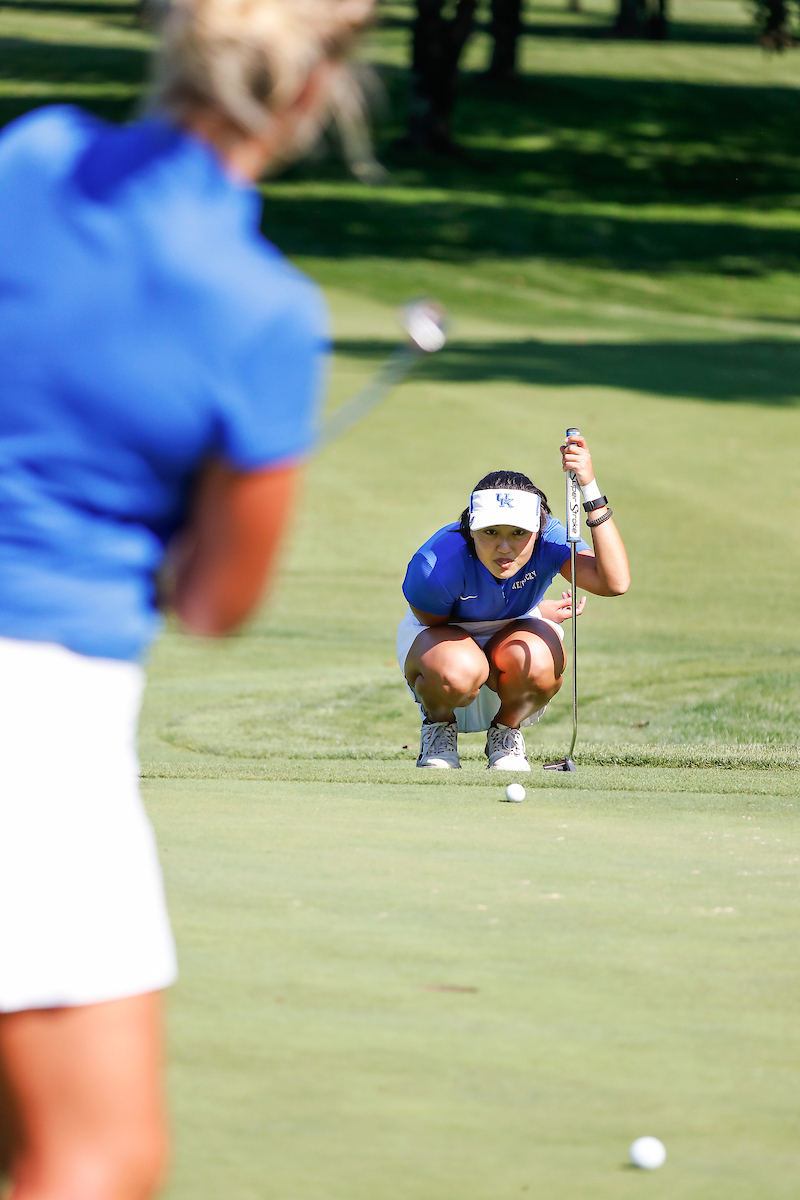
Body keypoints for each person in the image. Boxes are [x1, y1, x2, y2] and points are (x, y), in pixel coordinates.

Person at [0, 2, 373, 1198]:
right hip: (34, 707)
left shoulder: (29, 154)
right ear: (317, 92)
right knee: (92, 1158)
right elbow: (215, 601)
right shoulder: (262, 312)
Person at [398, 434, 630, 770]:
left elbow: (615, 582)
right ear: (470, 528)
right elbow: (437, 628)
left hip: (510, 639)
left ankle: (506, 735)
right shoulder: (434, 565)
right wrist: (536, 612)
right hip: (445, 643)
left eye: (518, 533)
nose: (504, 547)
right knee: (457, 668)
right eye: (491, 532)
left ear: (538, 529)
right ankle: (438, 727)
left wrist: (590, 489)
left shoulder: (551, 540)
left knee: (535, 659)